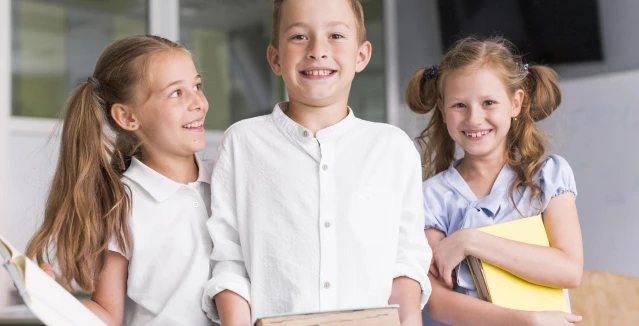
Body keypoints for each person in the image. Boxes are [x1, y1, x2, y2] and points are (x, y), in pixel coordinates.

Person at [201, 0, 431, 325]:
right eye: (298, 36)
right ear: (275, 58)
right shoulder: (242, 143)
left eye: (335, 35)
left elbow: (406, 260)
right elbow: (229, 257)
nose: (317, 50)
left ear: (361, 55)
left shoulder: (393, 148)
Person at [26, 35, 214, 326]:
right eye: (176, 93)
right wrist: (51, 300)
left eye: (197, 86)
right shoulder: (121, 204)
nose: (199, 102)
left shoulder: (227, 180)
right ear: (127, 117)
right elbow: (107, 314)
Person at [406, 36, 584, 326]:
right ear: (442, 108)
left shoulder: (548, 176)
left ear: (515, 103)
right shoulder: (430, 197)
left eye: (488, 102)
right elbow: (437, 303)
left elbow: (568, 269)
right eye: (459, 105)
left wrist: (470, 240)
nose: (474, 118)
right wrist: (527, 321)